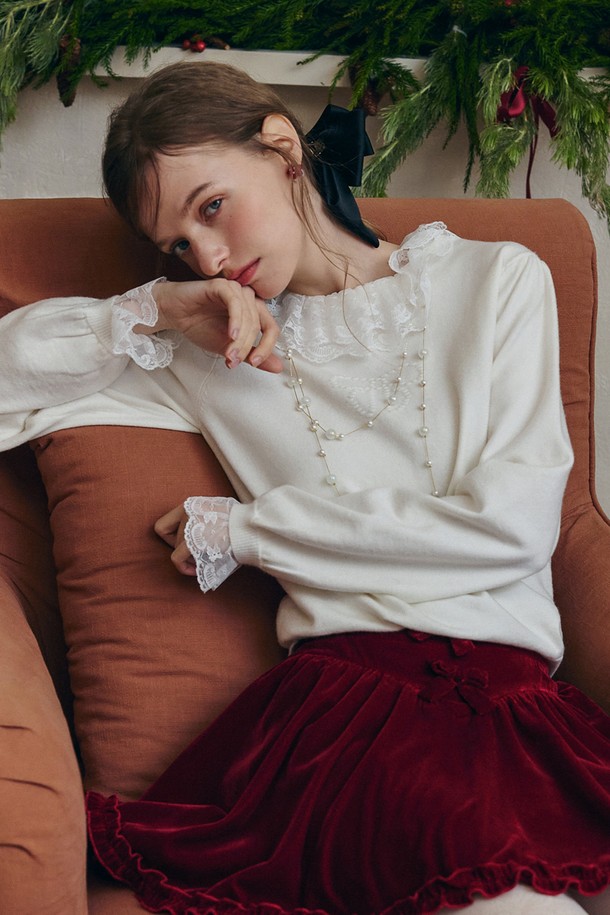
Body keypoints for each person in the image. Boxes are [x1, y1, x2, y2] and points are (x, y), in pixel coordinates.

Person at [1, 60, 609, 915]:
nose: (209, 256)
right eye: (177, 246)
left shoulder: (499, 280)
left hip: (517, 715)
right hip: (350, 721)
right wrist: (155, 310)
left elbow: (512, 528)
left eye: (212, 206)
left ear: (283, 147)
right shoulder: (209, 349)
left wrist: (250, 530)